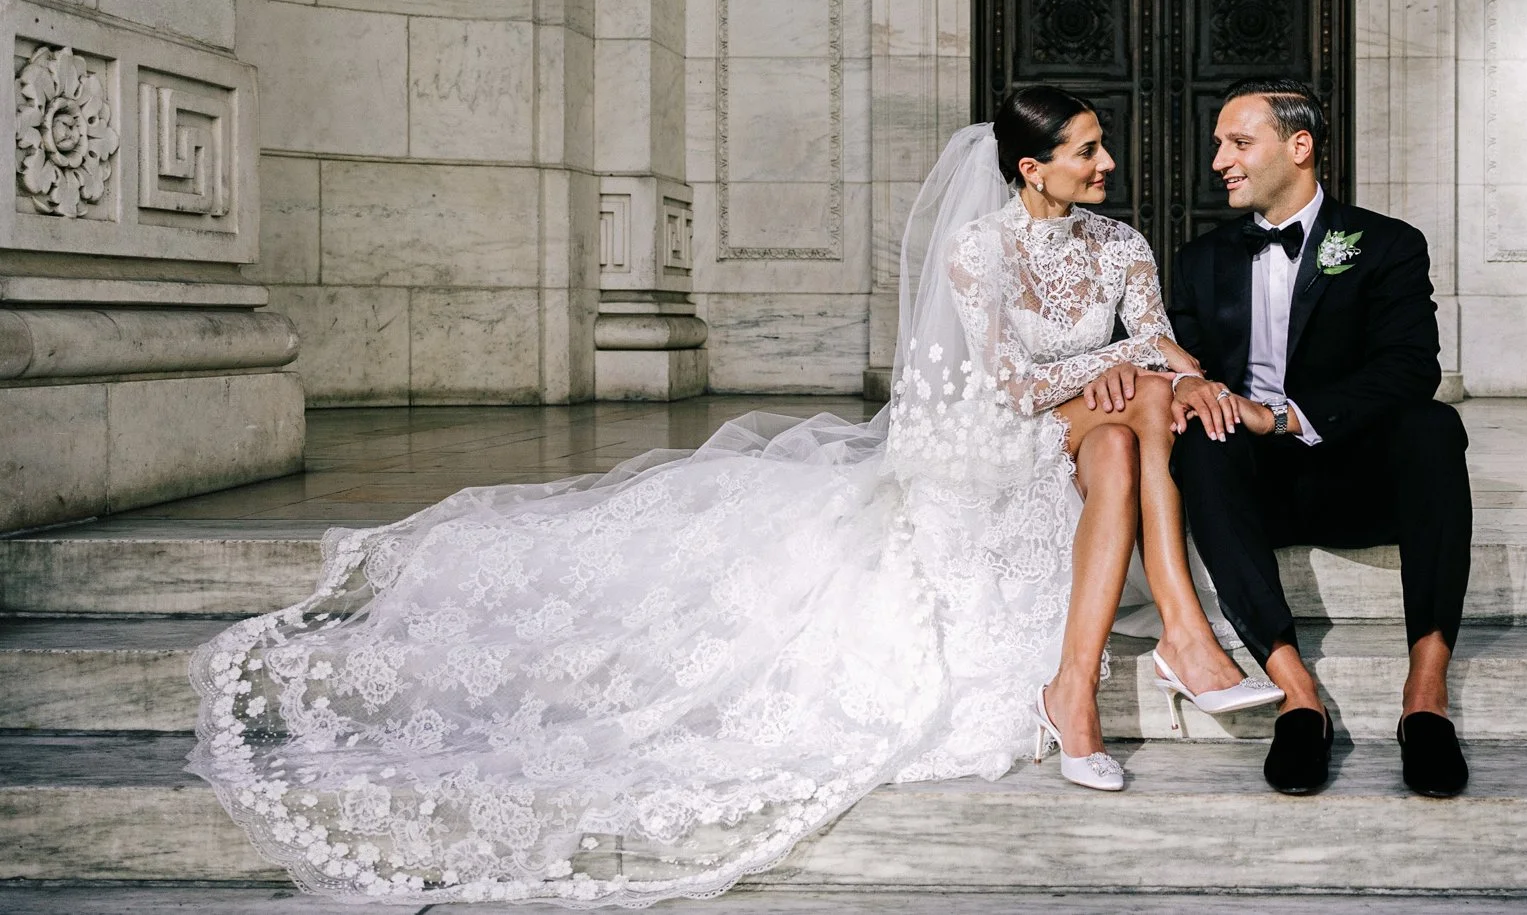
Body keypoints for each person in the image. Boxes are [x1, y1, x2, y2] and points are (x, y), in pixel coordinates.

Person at [186, 86, 1276, 907]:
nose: (1108, 161)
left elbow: (1152, 333)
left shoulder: (1121, 242)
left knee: (1135, 425)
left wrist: (1177, 372)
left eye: (1099, 148)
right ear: (1033, 167)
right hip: (987, 430)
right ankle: (1178, 635)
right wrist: (1119, 373)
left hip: (1084, 426)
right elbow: (998, 381)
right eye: (1087, 149)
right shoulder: (978, 250)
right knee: (1129, 417)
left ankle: (1078, 683)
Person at [1165, 78, 1474, 799]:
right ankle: (1296, 693)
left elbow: (1411, 366)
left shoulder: (1387, 244)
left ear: (1299, 147)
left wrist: (1283, 415)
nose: (1219, 161)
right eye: (1219, 145)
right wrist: (1185, 384)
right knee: (1201, 439)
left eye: (1238, 143)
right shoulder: (1199, 259)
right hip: (1247, 493)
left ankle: (1425, 696)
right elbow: (1170, 351)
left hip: (1352, 476)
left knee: (1434, 427)